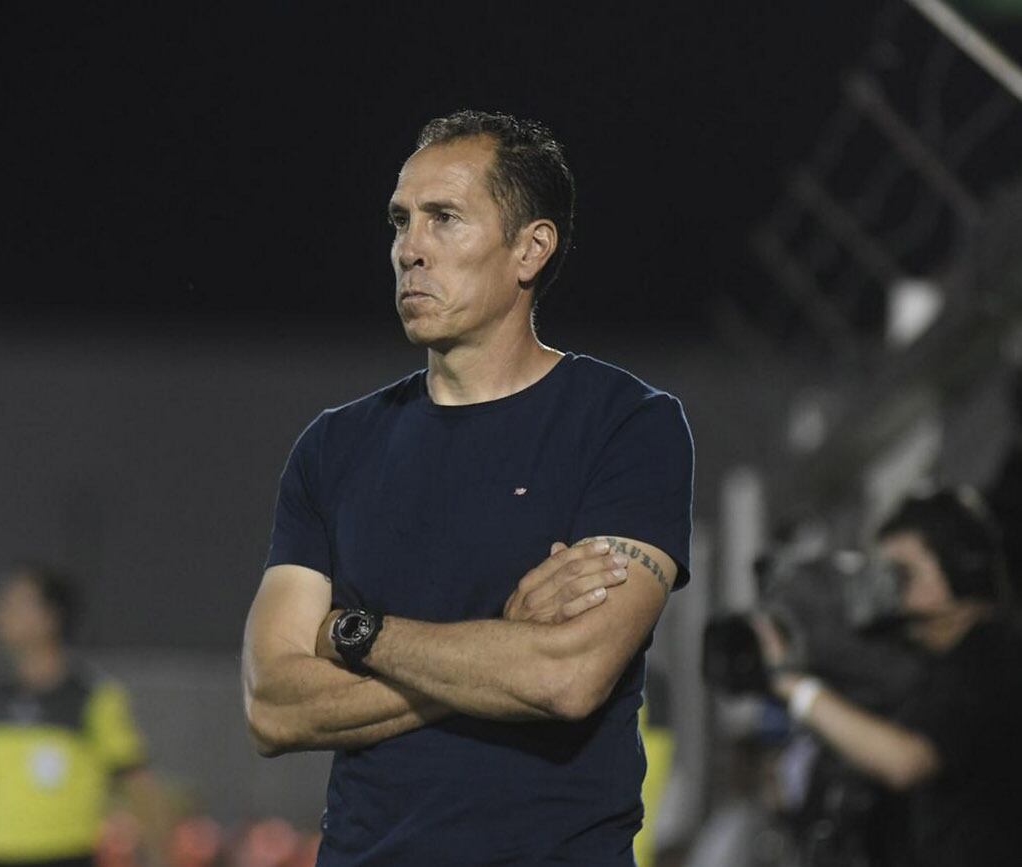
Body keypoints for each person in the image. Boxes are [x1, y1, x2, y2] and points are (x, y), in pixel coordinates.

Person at [242, 109, 695, 865]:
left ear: (530, 249)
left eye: (443, 219)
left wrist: (355, 633)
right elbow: (272, 707)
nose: (409, 249)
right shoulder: (333, 446)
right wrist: (505, 638)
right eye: (400, 222)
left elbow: (568, 675)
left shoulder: (629, 424)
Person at [755, 488, 1022, 867]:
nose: (884, 588)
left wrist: (794, 687)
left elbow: (905, 760)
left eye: (902, 573)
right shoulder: (932, 663)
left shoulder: (988, 657)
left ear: (962, 567)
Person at [0, 563, 173, 867]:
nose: (0, 612)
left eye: (16, 603)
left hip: (70, 859)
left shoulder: (93, 698)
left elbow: (141, 792)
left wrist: (160, 856)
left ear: (50, 617)